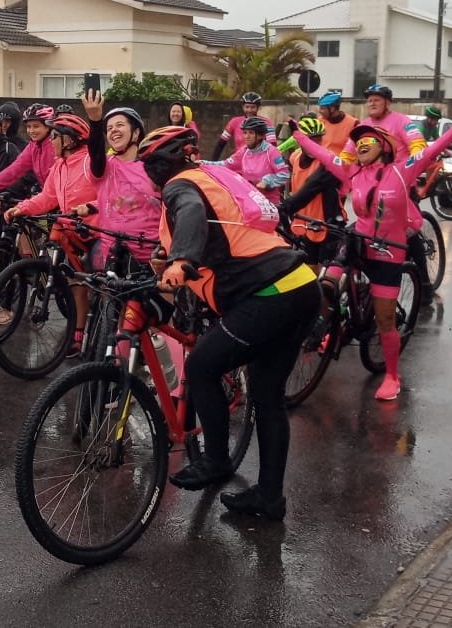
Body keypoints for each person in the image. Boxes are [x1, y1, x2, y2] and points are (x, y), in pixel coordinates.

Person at [136, 125, 319, 520]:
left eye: (151, 165)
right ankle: (269, 498)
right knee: (268, 398)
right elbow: (220, 230)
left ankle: (216, 460)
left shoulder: (181, 185)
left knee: (202, 366)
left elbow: (191, 214)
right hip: (300, 284)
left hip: (269, 294)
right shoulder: (216, 176)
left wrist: (182, 260)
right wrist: (169, 258)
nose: (150, 173)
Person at [294, 102, 452, 401]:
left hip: (388, 251)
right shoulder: (352, 171)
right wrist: (298, 135)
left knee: (385, 321)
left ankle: (392, 375)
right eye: (357, 141)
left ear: (383, 146)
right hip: (357, 240)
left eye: (367, 140)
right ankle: (325, 328)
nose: (360, 145)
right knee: (326, 285)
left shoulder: (402, 170)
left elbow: (432, 151)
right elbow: (324, 155)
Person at [4, 113, 97, 355]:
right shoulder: (59, 165)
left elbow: (109, 195)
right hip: (70, 229)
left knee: (97, 283)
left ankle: (100, 331)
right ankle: (77, 333)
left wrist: (91, 208)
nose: (51, 141)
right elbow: (48, 197)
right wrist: (22, 208)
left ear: (69, 140)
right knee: (75, 282)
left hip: (95, 231)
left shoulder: (89, 162)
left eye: (55, 136)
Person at [80, 89, 161, 269]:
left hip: (152, 257)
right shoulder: (105, 166)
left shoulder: (154, 166)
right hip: (113, 257)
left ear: (136, 133)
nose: (113, 130)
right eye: (109, 128)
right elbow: (95, 151)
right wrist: (95, 121)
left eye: (119, 125)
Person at [278, 115, 345, 269]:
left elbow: (310, 189)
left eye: (318, 139)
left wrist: (285, 206)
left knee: (324, 272)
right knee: (308, 268)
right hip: (304, 222)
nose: (314, 144)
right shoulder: (295, 157)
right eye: (311, 139)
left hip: (327, 223)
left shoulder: (327, 162)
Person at [204, 117, 289, 203]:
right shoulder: (244, 151)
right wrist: (203, 163)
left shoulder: (271, 151)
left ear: (260, 135)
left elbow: (284, 175)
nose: (246, 136)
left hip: (269, 202)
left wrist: (267, 181)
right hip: (250, 201)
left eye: (251, 133)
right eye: (245, 133)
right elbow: (225, 165)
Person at [341, 84, 426, 163]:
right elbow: (347, 155)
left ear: (387, 103)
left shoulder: (402, 120)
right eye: (369, 101)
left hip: (398, 170)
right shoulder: (362, 127)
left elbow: (417, 144)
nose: (372, 104)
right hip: (370, 172)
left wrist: (411, 164)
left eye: (376, 100)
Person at [0, 103, 56, 195]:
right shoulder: (33, 146)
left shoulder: (56, 146)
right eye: (28, 126)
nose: (31, 131)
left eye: (36, 126)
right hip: (49, 195)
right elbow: (15, 169)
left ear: (48, 127)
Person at [212, 92, 277, 159]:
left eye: (253, 107)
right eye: (247, 107)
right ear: (243, 107)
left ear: (258, 107)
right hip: (239, 162)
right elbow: (221, 144)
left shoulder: (267, 123)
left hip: (258, 162)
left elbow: (273, 146)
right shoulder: (234, 122)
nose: (249, 110)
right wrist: (213, 162)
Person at [316, 90, 359, 158]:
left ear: (332, 109)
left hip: (341, 162)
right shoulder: (319, 121)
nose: (319, 111)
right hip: (321, 160)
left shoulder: (353, 123)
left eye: (322, 108)